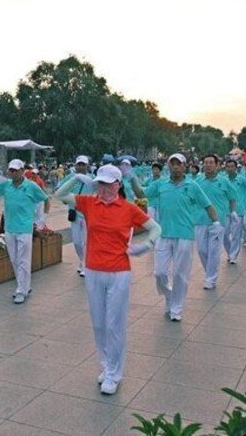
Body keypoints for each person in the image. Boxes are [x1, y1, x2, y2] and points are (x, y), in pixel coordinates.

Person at [56, 164, 162, 395]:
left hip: (119, 272)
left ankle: (115, 373)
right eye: (100, 183)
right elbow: (60, 195)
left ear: (118, 184)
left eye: (108, 183)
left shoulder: (128, 208)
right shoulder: (89, 203)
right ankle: (105, 366)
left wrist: (144, 246)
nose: (103, 188)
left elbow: (155, 228)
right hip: (93, 270)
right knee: (98, 323)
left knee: (115, 324)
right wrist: (75, 177)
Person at [131, 153, 221, 322]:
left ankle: (176, 307)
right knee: (160, 273)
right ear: (168, 166)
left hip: (184, 235)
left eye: (178, 164)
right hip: (163, 234)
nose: (175, 167)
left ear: (184, 166)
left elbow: (208, 205)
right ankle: (169, 296)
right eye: (172, 164)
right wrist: (131, 177)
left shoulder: (192, 186)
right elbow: (141, 194)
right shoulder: (160, 184)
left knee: (180, 274)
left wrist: (216, 223)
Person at [0, 159, 49, 304]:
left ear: (22, 171)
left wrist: (42, 219)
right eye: (10, 170)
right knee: (14, 259)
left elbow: (46, 199)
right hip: (9, 228)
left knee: (23, 260)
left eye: (15, 170)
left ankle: (21, 291)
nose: (12, 173)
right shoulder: (7, 185)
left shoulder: (31, 186)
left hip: (25, 228)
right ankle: (25, 285)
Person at [193, 154, 237, 290]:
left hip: (218, 222)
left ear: (217, 165)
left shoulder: (224, 181)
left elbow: (232, 197)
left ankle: (211, 279)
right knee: (201, 250)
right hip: (200, 220)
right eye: (206, 162)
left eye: (211, 162)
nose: (208, 165)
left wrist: (233, 211)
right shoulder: (197, 182)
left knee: (214, 251)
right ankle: (210, 273)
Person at [57, 155, 95, 277]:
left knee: (86, 241)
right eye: (79, 164)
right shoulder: (70, 178)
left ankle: (85, 264)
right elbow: (60, 190)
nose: (81, 167)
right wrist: (66, 200)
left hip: (88, 215)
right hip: (74, 214)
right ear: (76, 165)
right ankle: (81, 260)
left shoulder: (92, 179)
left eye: (83, 164)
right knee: (77, 242)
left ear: (87, 166)